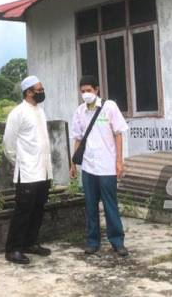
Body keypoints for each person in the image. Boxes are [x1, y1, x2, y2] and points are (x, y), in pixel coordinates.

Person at [70, 75, 129, 257]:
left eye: (88, 90)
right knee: (90, 206)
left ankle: (117, 242)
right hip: (88, 166)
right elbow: (78, 138)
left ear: (96, 90)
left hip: (107, 166)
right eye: (82, 91)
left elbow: (119, 134)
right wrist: (73, 164)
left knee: (110, 205)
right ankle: (92, 242)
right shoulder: (79, 112)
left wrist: (119, 161)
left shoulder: (109, 107)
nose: (85, 94)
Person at [3, 75, 52, 264]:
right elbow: (8, 143)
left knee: (38, 209)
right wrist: (20, 162)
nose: (42, 91)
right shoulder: (18, 112)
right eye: (39, 89)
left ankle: (30, 243)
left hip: (44, 169)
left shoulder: (40, 110)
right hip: (28, 170)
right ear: (28, 92)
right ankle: (13, 249)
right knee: (23, 211)